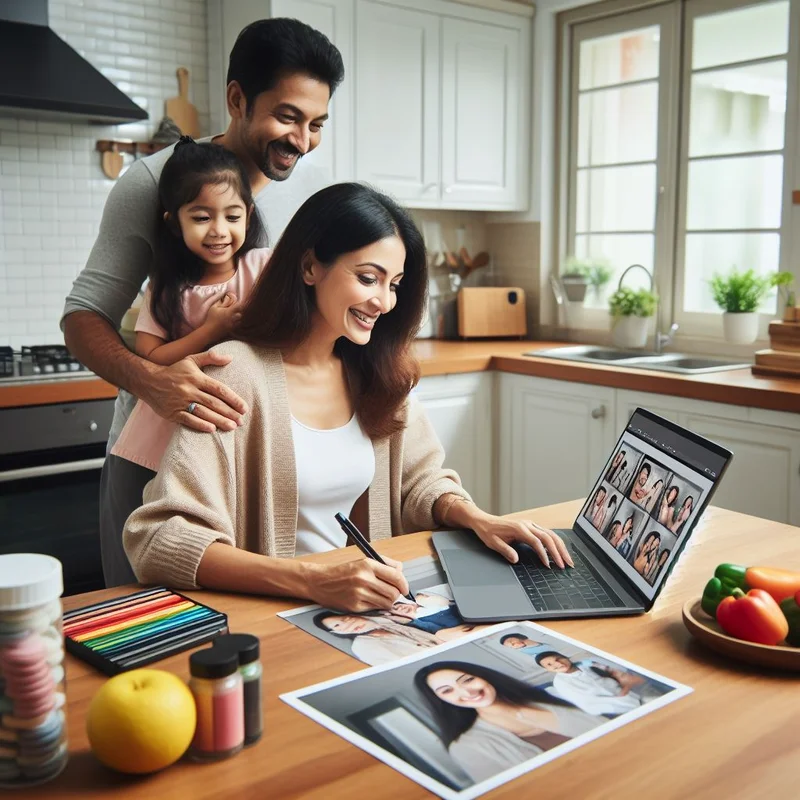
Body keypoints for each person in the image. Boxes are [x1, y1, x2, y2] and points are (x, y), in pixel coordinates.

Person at [123, 183, 572, 612]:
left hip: (361, 610)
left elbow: (420, 482)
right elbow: (159, 539)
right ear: (309, 267)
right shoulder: (234, 372)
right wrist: (312, 582)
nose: (384, 301)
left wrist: (476, 517)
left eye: (394, 284)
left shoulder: (378, 375)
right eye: (368, 278)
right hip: (277, 615)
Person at [62, 19, 346, 587]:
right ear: (237, 98)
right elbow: (81, 317)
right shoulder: (155, 184)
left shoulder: (310, 198)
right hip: (153, 449)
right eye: (288, 116)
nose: (302, 140)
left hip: (253, 454)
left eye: (316, 124)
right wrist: (151, 380)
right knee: (146, 627)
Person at [110, 139, 270, 474]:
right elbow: (149, 357)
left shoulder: (261, 268)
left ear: (248, 215)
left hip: (243, 421)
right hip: (173, 429)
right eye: (201, 217)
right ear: (174, 223)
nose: (219, 231)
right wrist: (212, 329)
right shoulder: (165, 287)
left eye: (232, 216)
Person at [415, 661, 602, 783]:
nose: (467, 692)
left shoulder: (549, 698)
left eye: (468, 680)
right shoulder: (466, 747)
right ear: (441, 700)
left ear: (483, 676)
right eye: (447, 691)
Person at [535, 651, 643, 716]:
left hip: (633, 688)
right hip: (615, 704)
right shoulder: (561, 683)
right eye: (550, 664)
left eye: (558, 658)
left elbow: (623, 671)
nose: (558, 663)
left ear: (566, 657)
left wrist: (627, 682)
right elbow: (589, 702)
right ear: (548, 670)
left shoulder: (590, 662)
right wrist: (626, 689)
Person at [313, 612, 440, 665]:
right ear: (336, 632)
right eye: (337, 626)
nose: (348, 624)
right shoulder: (362, 647)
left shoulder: (385, 622)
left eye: (346, 619)